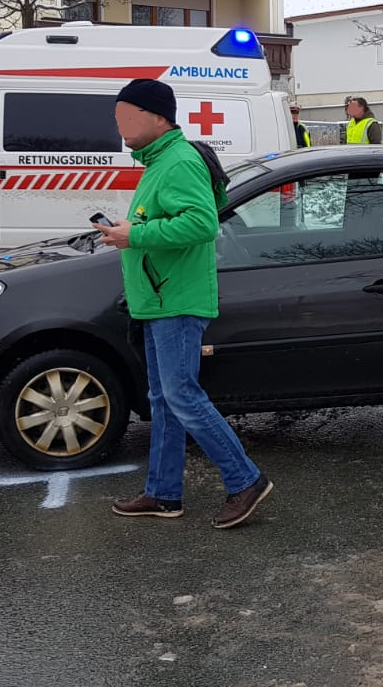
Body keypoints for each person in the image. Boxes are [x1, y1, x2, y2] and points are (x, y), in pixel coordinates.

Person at [95, 78, 273, 527]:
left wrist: (133, 235)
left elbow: (201, 223)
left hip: (176, 299)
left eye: (128, 115)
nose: (120, 125)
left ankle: (245, 480)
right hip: (160, 298)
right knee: (164, 399)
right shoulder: (160, 160)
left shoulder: (177, 160)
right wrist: (130, 227)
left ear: (158, 117)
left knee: (182, 396)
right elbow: (166, 219)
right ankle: (163, 493)